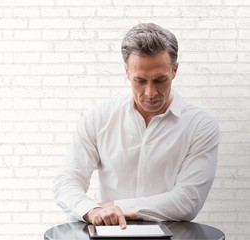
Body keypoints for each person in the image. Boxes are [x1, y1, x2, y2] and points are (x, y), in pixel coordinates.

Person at [53, 23, 219, 229]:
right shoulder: (99, 118)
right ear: (126, 72)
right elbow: (67, 180)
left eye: (160, 80)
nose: (150, 92)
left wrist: (115, 207)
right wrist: (92, 210)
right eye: (140, 80)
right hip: (109, 233)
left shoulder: (200, 126)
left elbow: (188, 200)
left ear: (175, 70)